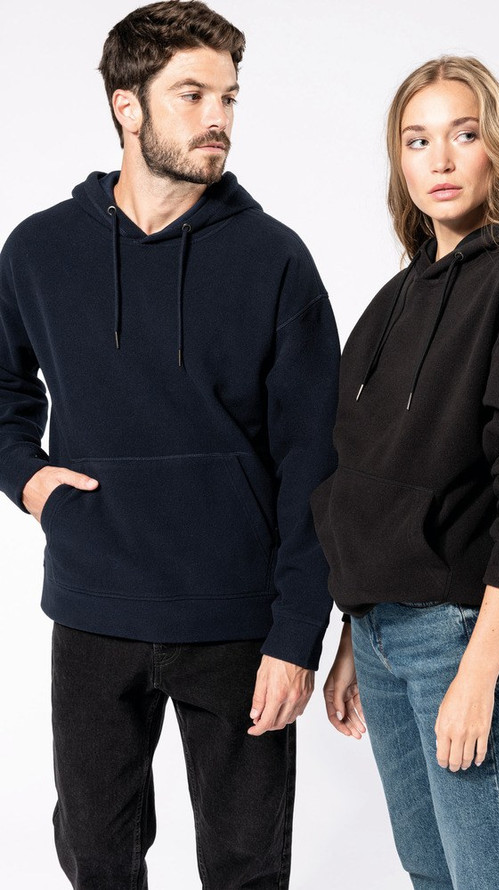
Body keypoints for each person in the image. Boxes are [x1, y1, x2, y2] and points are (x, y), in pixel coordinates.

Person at [0, 1, 339, 887]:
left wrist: (296, 635)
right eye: (192, 95)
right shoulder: (39, 250)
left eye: (228, 97)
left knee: (245, 865)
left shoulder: (275, 259)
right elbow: (0, 391)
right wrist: (27, 478)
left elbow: (315, 461)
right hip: (92, 608)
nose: (217, 117)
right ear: (127, 106)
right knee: (96, 856)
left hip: (237, 621)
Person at [311, 55, 499, 890]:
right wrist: (353, 632)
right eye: (416, 140)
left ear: (494, 146)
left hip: (458, 636)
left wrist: (477, 674)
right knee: (431, 877)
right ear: (398, 160)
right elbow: (362, 477)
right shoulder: (392, 300)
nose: (438, 159)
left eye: (462, 135)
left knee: (493, 880)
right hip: (379, 637)